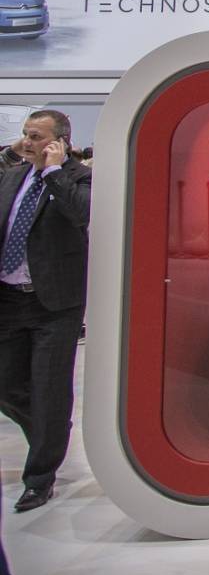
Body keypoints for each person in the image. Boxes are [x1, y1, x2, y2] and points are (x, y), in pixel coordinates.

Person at [0, 109, 93, 512]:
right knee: (7, 385)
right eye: (26, 134)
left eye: (36, 136)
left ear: (60, 141)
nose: (28, 142)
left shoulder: (79, 178)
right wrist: (11, 153)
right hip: (8, 300)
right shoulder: (13, 174)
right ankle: (49, 431)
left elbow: (82, 213)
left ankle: (39, 479)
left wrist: (54, 171)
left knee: (49, 389)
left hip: (53, 304)